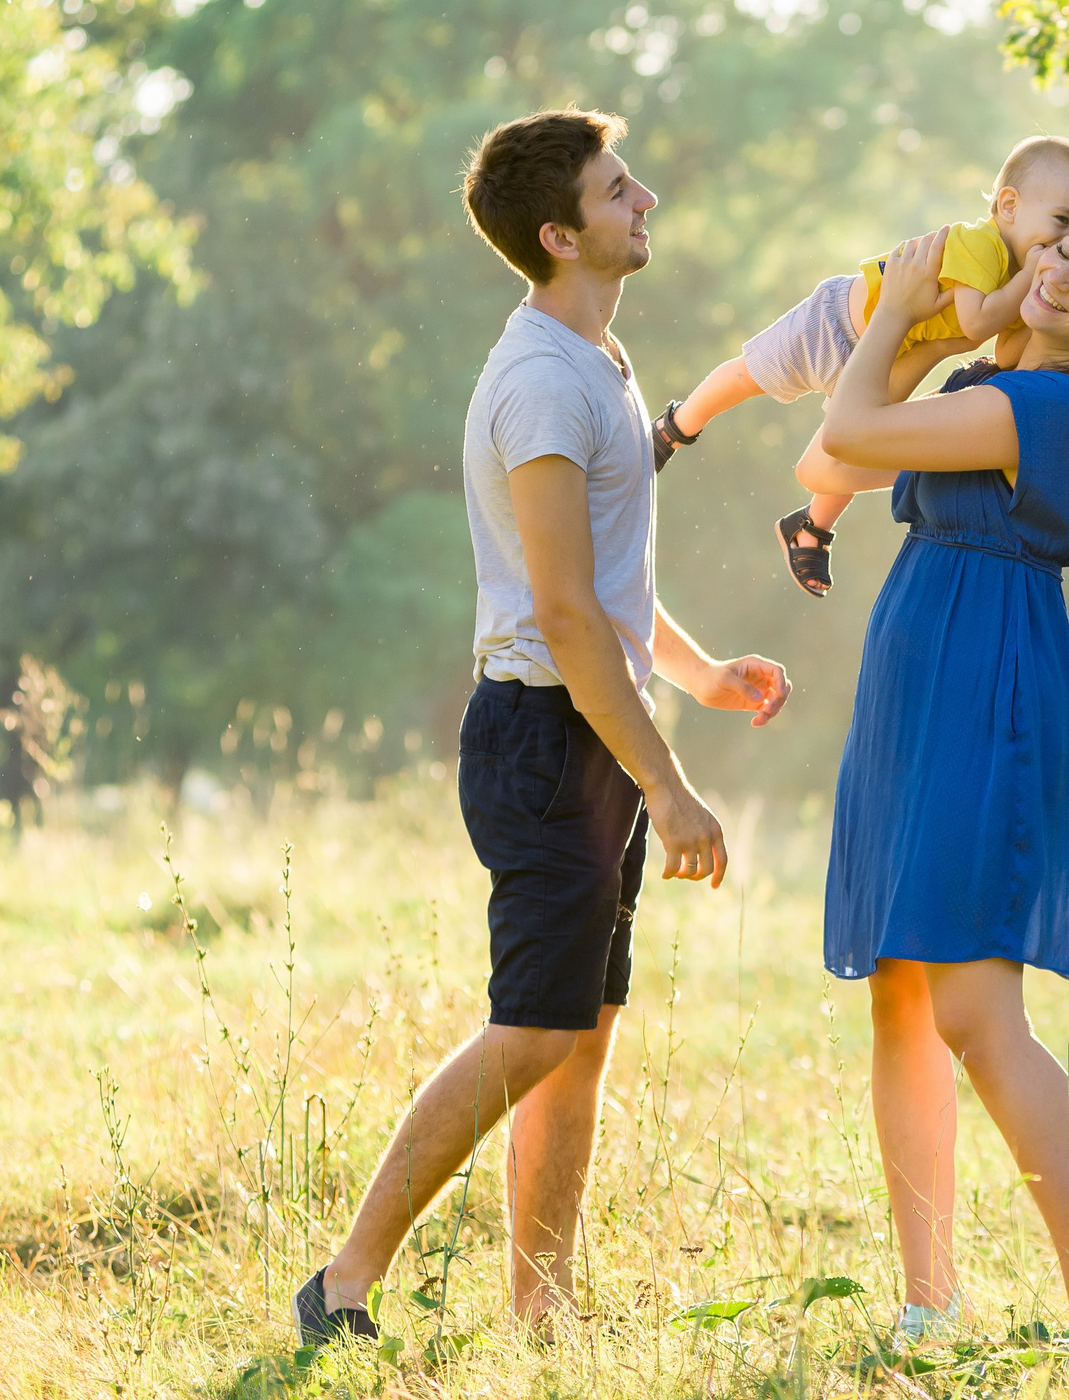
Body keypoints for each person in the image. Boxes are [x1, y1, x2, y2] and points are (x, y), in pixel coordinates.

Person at [294, 108, 792, 1345]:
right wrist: (667, 781)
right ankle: (342, 1281)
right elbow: (562, 614)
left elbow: (603, 584)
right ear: (559, 234)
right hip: (543, 735)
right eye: (619, 190)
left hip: (592, 726)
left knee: (581, 1034)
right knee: (532, 1030)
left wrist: (697, 673)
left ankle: (542, 1310)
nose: (647, 199)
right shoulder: (539, 382)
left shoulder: (598, 359)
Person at [801, 201, 1069, 1363]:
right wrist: (946, 329)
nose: (1057, 278)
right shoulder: (996, 380)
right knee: (901, 990)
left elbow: (850, 427)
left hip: (984, 684)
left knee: (977, 1012)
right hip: (919, 675)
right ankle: (927, 1300)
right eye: (1061, 253)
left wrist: (897, 304)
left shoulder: (1050, 405)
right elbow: (847, 447)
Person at [649, 136, 1069, 598]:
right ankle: (678, 424)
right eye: (1061, 222)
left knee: (863, 444)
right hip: (839, 325)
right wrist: (1027, 279)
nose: (1064, 242)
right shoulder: (980, 245)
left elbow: (1006, 356)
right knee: (748, 376)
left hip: (888, 355)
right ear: (1009, 206)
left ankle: (811, 528)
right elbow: (975, 323)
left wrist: (1039, 313)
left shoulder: (1024, 276)